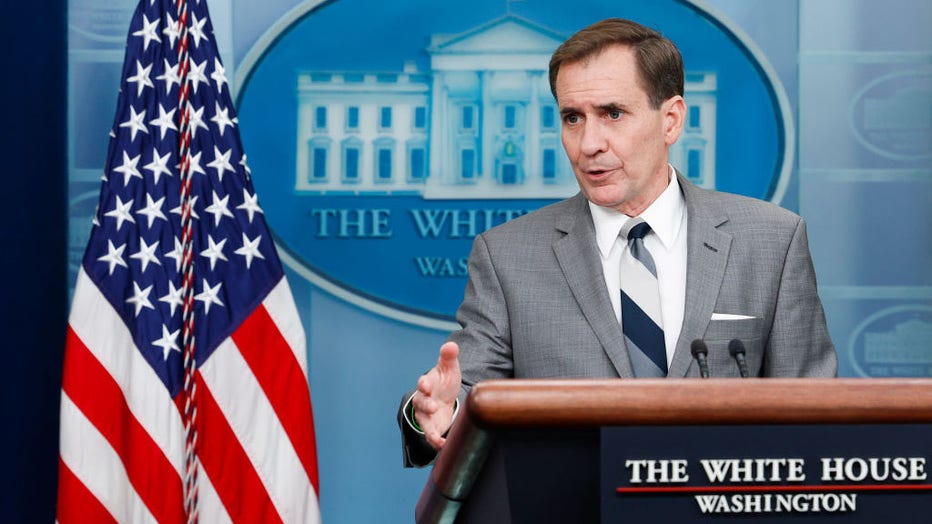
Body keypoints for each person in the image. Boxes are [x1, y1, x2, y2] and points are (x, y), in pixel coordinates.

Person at [398, 18, 837, 467]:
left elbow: (816, 415)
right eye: (573, 118)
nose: (589, 143)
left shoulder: (771, 241)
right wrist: (438, 412)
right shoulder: (507, 256)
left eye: (612, 114)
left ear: (671, 120)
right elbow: (468, 393)